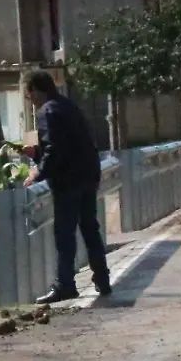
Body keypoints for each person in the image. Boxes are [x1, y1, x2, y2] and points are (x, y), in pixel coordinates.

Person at [20, 71, 110, 304]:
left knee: (65, 234)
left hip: (68, 181)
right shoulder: (68, 106)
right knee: (90, 227)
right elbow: (69, 143)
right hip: (88, 175)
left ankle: (65, 285)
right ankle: (103, 278)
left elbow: (54, 149)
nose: (30, 100)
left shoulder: (47, 111)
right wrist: (37, 153)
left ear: (37, 90)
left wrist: (37, 172)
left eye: (29, 95)